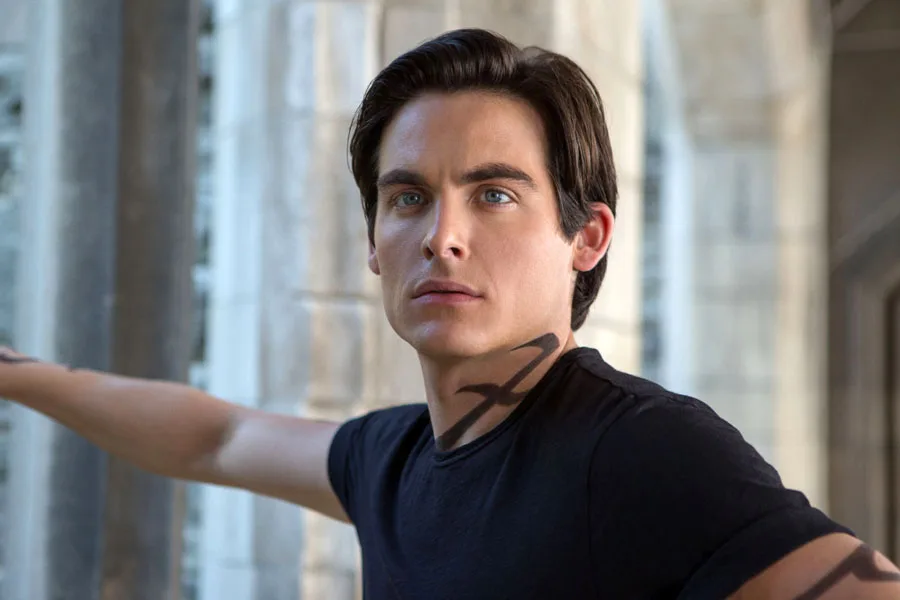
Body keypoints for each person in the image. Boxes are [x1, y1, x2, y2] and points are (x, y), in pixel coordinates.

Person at [0, 28, 898, 599]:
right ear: (373, 241)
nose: (442, 238)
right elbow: (215, 438)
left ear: (586, 237)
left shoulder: (641, 450)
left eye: (494, 195)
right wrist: (16, 374)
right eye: (408, 198)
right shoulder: (392, 462)